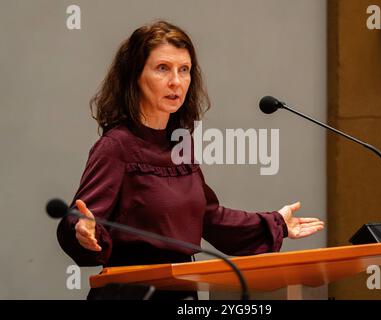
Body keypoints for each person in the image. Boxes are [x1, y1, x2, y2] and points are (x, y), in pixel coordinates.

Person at [57, 20, 324, 300]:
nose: (176, 81)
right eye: (163, 69)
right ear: (135, 75)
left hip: (181, 292)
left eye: (184, 70)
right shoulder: (117, 146)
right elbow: (83, 218)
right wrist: (83, 232)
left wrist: (276, 223)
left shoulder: (179, 144)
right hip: (130, 294)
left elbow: (207, 217)